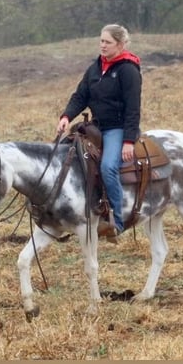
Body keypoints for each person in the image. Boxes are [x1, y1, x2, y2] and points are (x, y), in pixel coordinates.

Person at [56, 24, 142, 239]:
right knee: (67, 156)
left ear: (120, 45)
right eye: (101, 41)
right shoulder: (95, 68)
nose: (102, 45)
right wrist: (67, 116)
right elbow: (80, 96)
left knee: (108, 168)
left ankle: (117, 221)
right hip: (96, 126)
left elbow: (133, 108)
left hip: (117, 129)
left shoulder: (128, 70)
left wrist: (129, 141)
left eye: (107, 42)